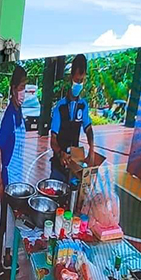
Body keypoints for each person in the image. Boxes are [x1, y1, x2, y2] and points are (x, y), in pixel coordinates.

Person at [0, 65, 28, 280]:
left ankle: (8, 256)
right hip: (8, 180)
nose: (24, 92)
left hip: (17, 178)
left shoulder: (19, 111)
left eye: (26, 87)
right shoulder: (8, 116)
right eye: (22, 87)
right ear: (14, 88)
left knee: (12, 221)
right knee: (4, 223)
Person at [49, 53, 96, 184]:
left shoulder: (83, 105)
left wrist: (91, 150)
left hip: (75, 162)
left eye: (81, 81)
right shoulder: (60, 106)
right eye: (76, 80)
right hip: (58, 165)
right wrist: (60, 153)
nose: (78, 84)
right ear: (71, 78)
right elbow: (53, 140)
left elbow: (88, 129)